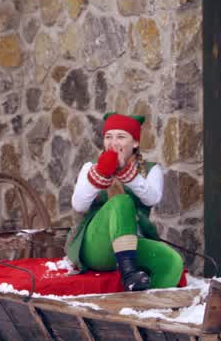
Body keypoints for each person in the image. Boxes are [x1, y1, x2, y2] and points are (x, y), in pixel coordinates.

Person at [66, 113, 183, 291]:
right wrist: (101, 175)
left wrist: (127, 174)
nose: (113, 143)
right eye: (108, 137)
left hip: (132, 242)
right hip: (97, 245)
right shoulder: (90, 168)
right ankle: (129, 273)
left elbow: (152, 198)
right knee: (121, 202)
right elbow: (79, 206)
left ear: (135, 142)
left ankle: (146, 310)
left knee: (172, 261)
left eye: (121, 137)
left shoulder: (152, 170)